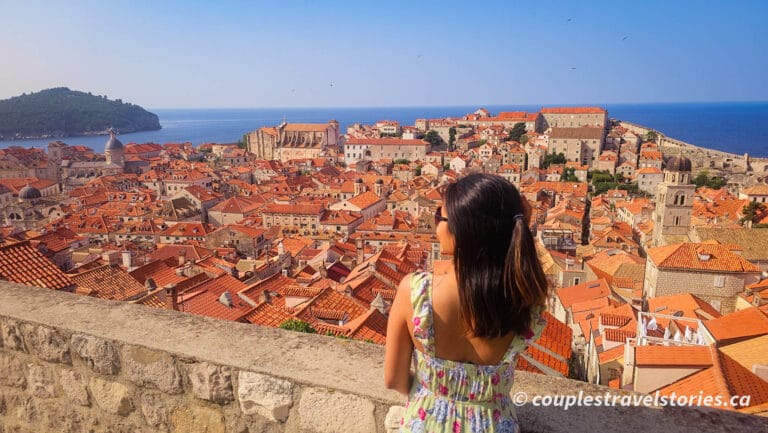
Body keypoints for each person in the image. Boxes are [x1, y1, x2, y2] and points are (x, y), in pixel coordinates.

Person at [384, 173, 549, 433]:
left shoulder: (416, 291)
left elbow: (394, 379)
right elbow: (513, 244)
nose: (436, 224)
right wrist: (516, 221)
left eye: (440, 216)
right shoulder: (527, 297)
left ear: (461, 231)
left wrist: (431, 393)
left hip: (426, 423)